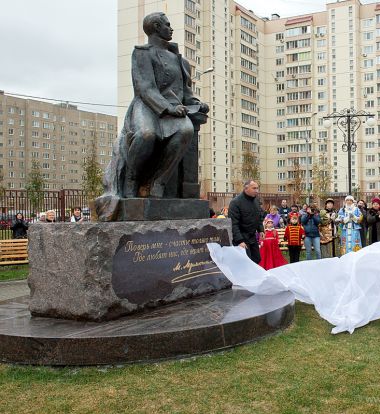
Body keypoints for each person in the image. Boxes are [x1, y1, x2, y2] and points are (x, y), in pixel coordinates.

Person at [97, 12, 209, 212]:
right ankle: (131, 178)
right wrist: (168, 108)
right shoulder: (142, 53)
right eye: (167, 24)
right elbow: (145, 88)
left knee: (186, 131)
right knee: (148, 135)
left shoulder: (180, 60)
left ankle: (157, 181)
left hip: (175, 109)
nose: (171, 28)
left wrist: (197, 104)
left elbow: (186, 92)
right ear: (156, 27)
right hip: (148, 106)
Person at [228, 180, 264, 264]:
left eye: (257, 188)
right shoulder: (236, 202)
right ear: (246, 188)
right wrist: (240, 241)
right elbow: (233, 224)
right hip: (242, 237)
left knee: (257, 258)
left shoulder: (256, 201)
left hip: (252, 237)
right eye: (254, 188)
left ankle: (253, 276)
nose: (257, 191)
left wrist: (261, 230)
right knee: (246, 262)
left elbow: (259, 217)